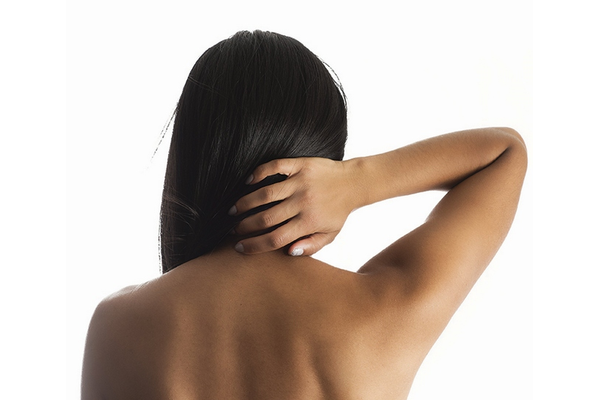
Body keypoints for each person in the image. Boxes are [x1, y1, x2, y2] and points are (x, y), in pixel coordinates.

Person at [81, 30, 527, 400]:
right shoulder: (383, 310)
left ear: (193, 155)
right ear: (326, 162)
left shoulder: (117, 327)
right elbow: (505, 153)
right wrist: (359, 180)